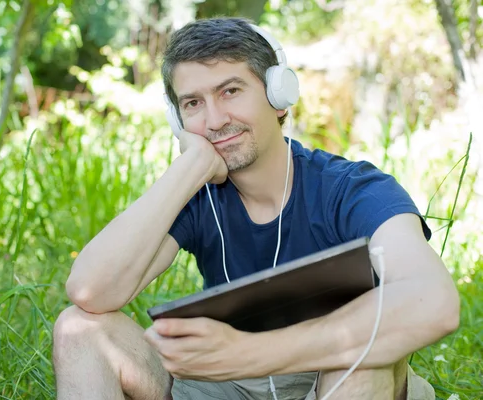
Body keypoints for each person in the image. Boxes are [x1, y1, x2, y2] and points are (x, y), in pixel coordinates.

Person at [52, 17, 460, 400]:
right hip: (231, 380)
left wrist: (252, 351)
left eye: (230, 91)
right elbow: (90, 291)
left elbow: (435, 302)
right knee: (79, 329)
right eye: (192, 104)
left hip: (335, 371)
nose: (214, 120)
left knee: (361, 360)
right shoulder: (195, 197)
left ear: (279, 96)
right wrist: (190, 167)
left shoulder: (351, 190)